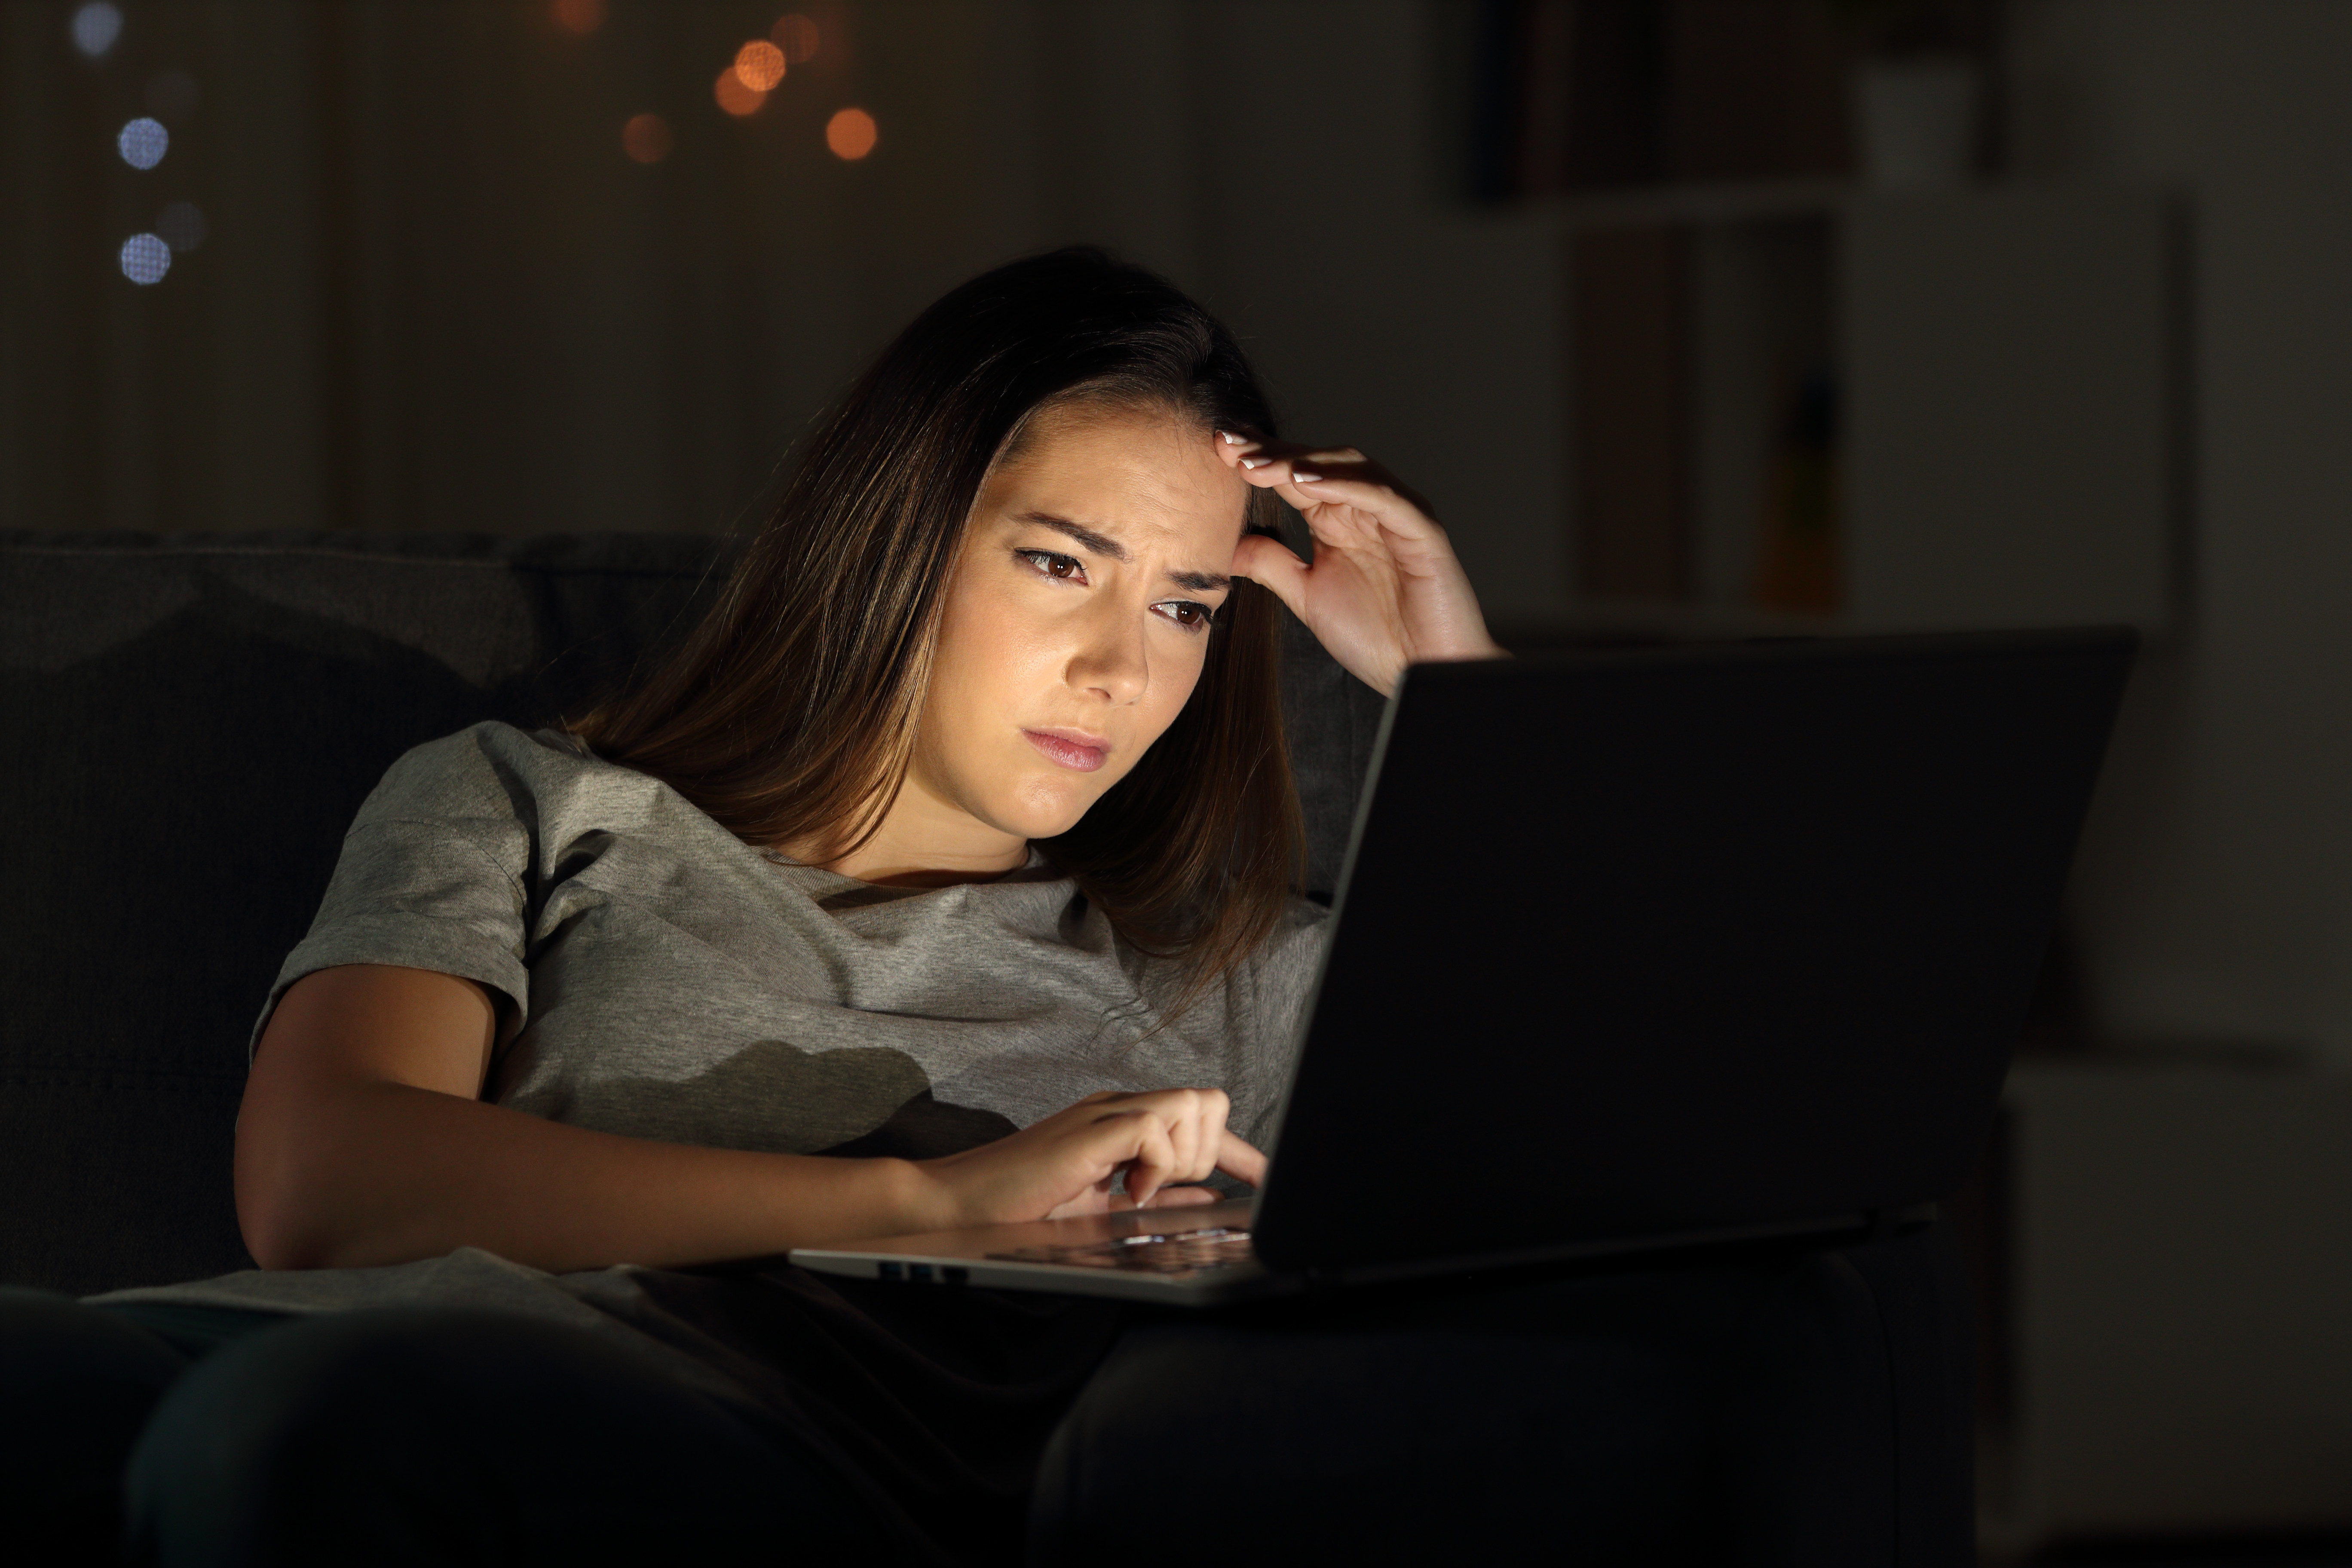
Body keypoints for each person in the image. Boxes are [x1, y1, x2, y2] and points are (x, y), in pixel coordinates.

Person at [0, 248, 1513, 1565]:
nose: (1125, 670)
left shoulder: (1230, 981)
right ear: (901, 538)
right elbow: (328, 1183)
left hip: (707, 1435)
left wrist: (1462, 705)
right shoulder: (527, 800)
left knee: (298, 1436)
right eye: (1062, 563)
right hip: (263, 1341)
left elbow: (1689, 1101)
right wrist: (928, 1207)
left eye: (1186, 604)